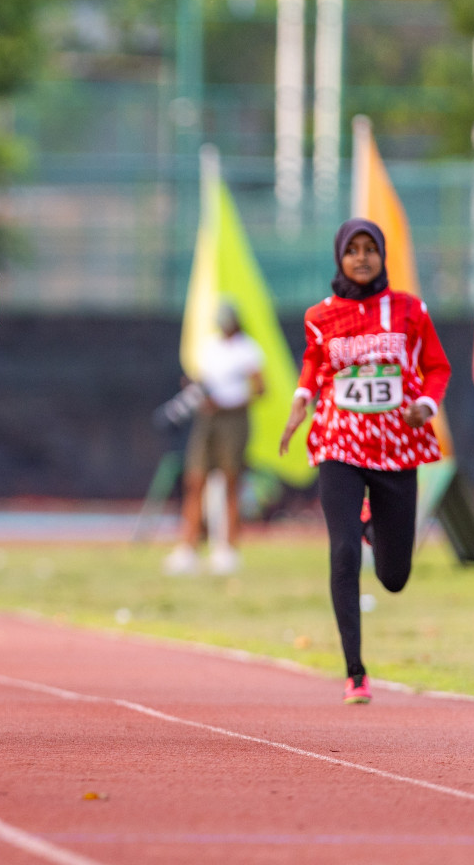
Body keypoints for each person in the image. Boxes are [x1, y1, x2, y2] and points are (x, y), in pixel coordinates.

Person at [279, 218, 449, 705]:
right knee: (343, 552)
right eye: (351, 249)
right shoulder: (321, 315)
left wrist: (428, 407)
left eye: (369, 248)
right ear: (339, 257)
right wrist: (302, 396)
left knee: (394, 578)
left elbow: (437, 366)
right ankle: (355, 671)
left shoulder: (410, 311)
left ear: (382, 255)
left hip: (398, 445)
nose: (360, 257)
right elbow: (315, 360)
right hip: (339, 443)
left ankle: (373, 524)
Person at [163, 304, 265, 577]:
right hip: (206, 419)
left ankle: (228, 548)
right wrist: (198, 392)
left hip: (233, 419)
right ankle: (188, 548)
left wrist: (229, 402)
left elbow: (260, 389)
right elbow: (201, 380)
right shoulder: (210, 347)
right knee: (195, 480)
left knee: (231, 480)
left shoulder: (247, 349)